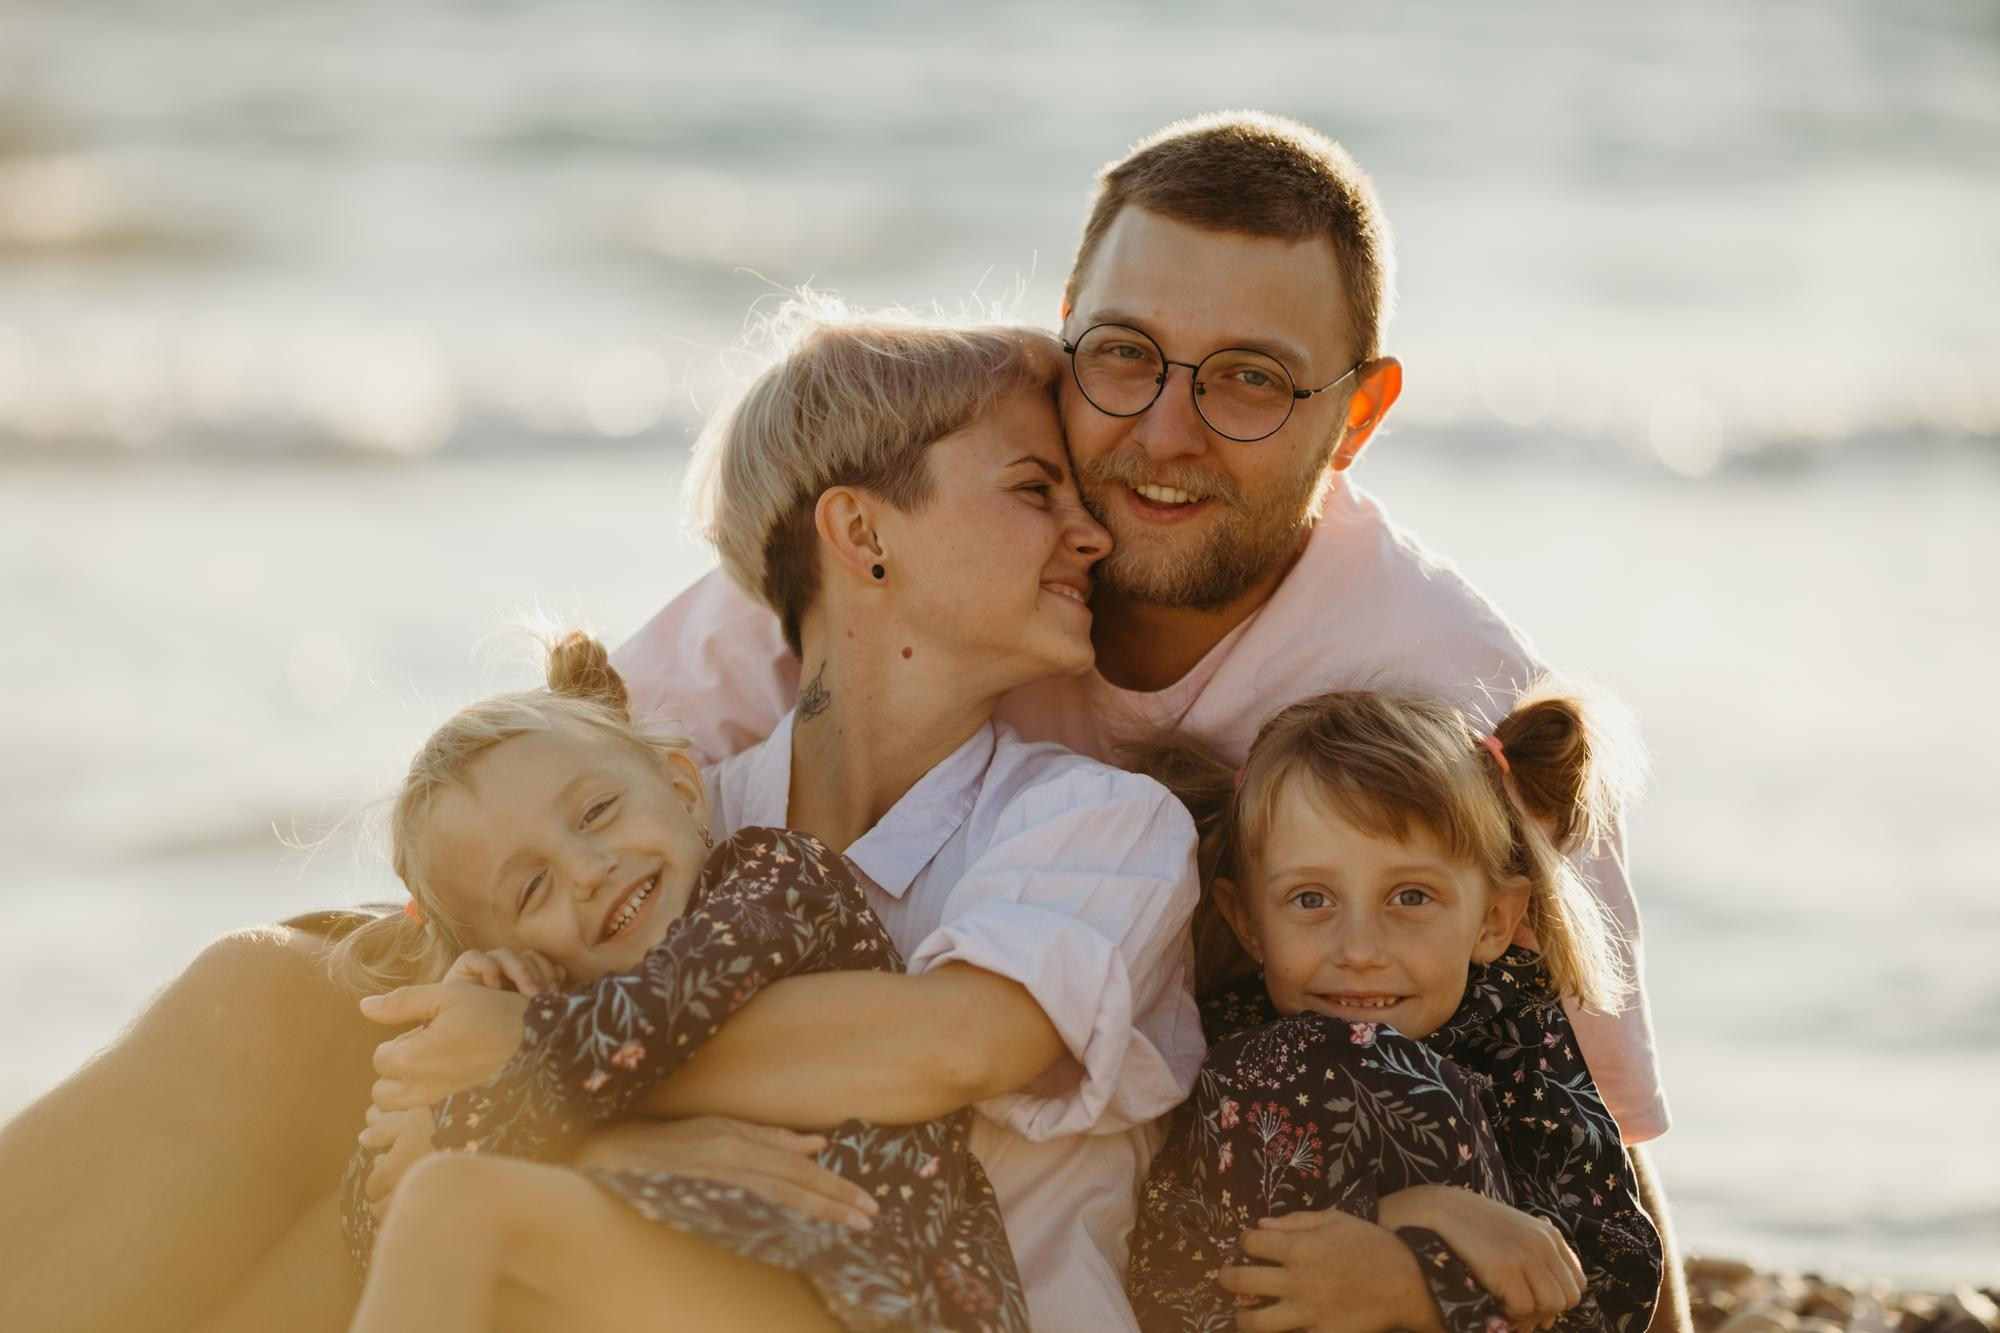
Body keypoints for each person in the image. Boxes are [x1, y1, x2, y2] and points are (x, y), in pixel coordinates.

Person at [611, 110, 1686, 1332]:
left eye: (1250, 379)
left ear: (1359, 416)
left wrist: (568, 1066)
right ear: (1064, 332)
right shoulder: (881, 570)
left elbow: (1596, 1165)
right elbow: (502, 854)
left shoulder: (1443, 683)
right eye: (1123, 353)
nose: (1165, 433)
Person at [354, 309, 1201, 1331]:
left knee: (461, 1207)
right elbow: (421, 1122)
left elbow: (942, 1050)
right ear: (860, 533)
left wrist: (533, 1067)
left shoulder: (1098, 824)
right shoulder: (657, 833)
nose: (1091, 534)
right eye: (1032, 489)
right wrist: (590, 1134)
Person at [329, 631, 1028, 1332]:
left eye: (597, 812)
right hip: (695, 1287)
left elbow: (658, 1015)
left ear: (683, 787)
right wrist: (477, 1023)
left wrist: (478, 1077)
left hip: (871, 1293)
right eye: (532, 888)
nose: (587, 867)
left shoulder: (777, 882)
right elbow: (374, 1208)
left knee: (451, 1201)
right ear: (509, 951)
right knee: (446, 1213)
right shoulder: (557, 1023)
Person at [1123, 686, 1663, 1333]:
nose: (1359, 949)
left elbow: (1617, 1272)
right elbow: (1173, 1282)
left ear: (1495, 918)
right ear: (1247, 923)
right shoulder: (1231, 1058)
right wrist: (1419, 1214)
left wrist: (1425, 1286)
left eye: (1410, 895)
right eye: (1310, 898)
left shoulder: (1523, 1042)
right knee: (1298, 1056)